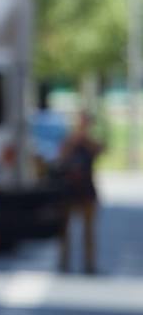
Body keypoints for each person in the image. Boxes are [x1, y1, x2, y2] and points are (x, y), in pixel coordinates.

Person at [57, 110, 104, 273]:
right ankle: (63, 262)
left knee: (89, 231)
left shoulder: (90, 142)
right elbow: (61, 157)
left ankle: (89, 263)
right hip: (69, 189)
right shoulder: (69, 140)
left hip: (87, 189)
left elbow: (99, 150)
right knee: (64, 229)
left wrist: (85, 139)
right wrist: (75, 140)